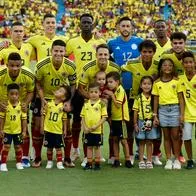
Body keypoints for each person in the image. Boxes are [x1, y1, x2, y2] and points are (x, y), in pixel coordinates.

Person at [66, 13, 105, 163]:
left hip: (96, 89)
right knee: (77, 121)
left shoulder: (100, 41)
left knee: (97, 119)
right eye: (84, 22)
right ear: (80, 25)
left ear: (93, 25)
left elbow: (105, 58)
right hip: (78, 87)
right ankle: (75, 150)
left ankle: (96, 152)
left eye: (89, 22)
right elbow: (63, 55)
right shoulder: (72, 42)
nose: (87, 24)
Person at [33, 40, 76, 168]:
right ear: (51, 51)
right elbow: (38, 83)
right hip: (45, 97)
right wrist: (42, 99)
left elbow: (73, 84)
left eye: (61, 51)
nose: (58, 53)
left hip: (62, 99)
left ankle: (67, 158)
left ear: (65, 52)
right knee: (38, 128)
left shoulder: (70, 66)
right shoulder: (41, 65)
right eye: (55, 51)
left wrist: (68, 100)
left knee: (66, 129)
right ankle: (37, 157)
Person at [107, 16, 143, 163]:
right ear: (118, 27)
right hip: (117, 90)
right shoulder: (112, 43)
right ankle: (112, 155)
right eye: (123, 26)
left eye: (128, 26)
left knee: (131, 123)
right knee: (113, 122)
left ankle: (133, 153)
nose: (125, 28)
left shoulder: (139, 42)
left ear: (132, 28)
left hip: (134, 90)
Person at [78, 44, 120, 166]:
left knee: (113, 129)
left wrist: (109, 97)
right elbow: (80, 88)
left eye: (105, 54)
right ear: (96, 55)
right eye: (100, 54)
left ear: (109, 55)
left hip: (109, 103)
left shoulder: (115, 68)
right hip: (91, 103)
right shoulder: (88, 67)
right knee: (88, 128)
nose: (103, 57)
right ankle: (87, 156)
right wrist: (93, 100)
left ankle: (112, 155)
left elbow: (118, 87)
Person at [121, 40, 160, 164]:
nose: (147, 54)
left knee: (153, 127)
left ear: (154, 52)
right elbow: (119, 70)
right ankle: (132, 154)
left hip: (153, 100)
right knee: (132, 126)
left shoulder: (158, 65)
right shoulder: (133, 63)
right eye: (144, 52)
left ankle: (154, 155)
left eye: (150, 52)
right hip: (135, 99)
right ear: (140, 52)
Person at [0, 52, 35, 167]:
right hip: (3, 105)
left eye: (17, 66)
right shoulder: (1, 74)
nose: (15, 68)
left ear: (21, 64)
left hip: (21, 105)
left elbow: (31, 91)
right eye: (11, 65)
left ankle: (25, 157)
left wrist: (25, 103)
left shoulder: (28, 75)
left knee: (24, 130)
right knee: (1, 130)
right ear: (7, 65)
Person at [152, 58, 184, 170]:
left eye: (170, 65)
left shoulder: (177, 81)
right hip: (162, 111)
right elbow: (155, 99)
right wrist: (155, 115)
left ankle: (176, 159)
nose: (167, 67)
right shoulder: (157, 83)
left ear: (173, 67)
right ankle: (169, 159)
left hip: (175, 109)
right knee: (166, 137)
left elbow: (181, 99)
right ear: (161, 67)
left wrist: (182, 115)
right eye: (165, 65)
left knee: (175, 136)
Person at [104, 72, 132, 168]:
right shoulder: (115, 91)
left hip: (121, 119)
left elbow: (118, 105)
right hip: (115, 119)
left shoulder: (120, 90)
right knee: (115, 139)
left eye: (111, 82)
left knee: (123, 140)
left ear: (117, 82)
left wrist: (111, 95)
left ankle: (128, 159)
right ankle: (116, 159)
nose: (109, 84)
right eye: (107, 82)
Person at [133, 76, 160, 169]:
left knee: (149, 142)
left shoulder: (154, 97)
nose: (147, 86)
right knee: (141, 142)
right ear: (140, 85)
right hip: (141, 121)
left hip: (150, 122)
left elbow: (156, 110)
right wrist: (135, 124)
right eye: (144, 84)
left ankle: (149, 160)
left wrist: (156, 119)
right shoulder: (138, 98)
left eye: (149, 84)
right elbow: (135, 112)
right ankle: (141, 160)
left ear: (152, 85)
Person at [42, 85, 71, 170]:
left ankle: (59, 162)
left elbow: (64, 119)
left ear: (64, 97)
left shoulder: (63, 107)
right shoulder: (48, 104)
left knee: (59, 147)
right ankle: (49, 161)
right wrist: (42, 126)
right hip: (48, 129)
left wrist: (65, 129)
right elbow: (44, 115)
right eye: (58, 90)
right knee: (49, 147)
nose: (57, 91)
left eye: (60, 91)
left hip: (58, 131)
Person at [0, 83, 27, 171]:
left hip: (18, 132)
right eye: (11, 94)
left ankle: (19, 163)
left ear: (19, 95)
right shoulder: (5, 106)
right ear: (7, 95)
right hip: (7, 131)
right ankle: (3, 163)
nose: (14, 96)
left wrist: (24, 131)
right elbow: (2, 118)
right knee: (6, 147)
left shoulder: (21, 106)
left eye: (16, 94)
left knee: (18, 147)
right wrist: (1, 129)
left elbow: (24, 120)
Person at [81, 82, 107, 170]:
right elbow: (83, 117)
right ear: (88, 93)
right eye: (91, 92)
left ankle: (97, 164)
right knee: (88, 146)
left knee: (97, 147)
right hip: (87, 130)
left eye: (96, 92)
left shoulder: (101, 104)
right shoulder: (85, 104)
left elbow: (104, 117)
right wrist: (84, 127)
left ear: (99, 93)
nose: (93, 94)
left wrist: (96, 126)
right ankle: (89, 163)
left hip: (97, 130)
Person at [179, 51, 196, 169]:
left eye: (190, 62)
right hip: (187, 114)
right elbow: (181, 98)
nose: (188, 64)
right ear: (182, 64)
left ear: (194, 63)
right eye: (186, 62)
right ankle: (190, 159)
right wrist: (181, 114)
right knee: (187, 137)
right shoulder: (180, 79)